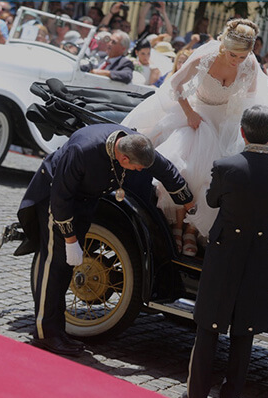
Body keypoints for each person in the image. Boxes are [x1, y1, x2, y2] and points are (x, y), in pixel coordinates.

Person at [17, 124, 194, 356]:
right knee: (55, 264)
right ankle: (44, 333)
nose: (139, 171)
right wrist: (70, 239)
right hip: (56, 199)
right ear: (122, 157)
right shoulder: (83, 150)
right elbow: (60, 198)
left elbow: (163, 168)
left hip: (85, 199)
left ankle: (56, 330)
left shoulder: (136, 144)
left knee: (66, 268)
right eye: (135, 168)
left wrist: (188, 201)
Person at [122, 18, 268, 256]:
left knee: (212, 177)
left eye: (242, 56)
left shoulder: (249, 65)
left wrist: (237, 129)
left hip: (225, 119)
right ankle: (176, 227)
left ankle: (191, 229)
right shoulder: (205, 57)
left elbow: (250, 101)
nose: (237, 61)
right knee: (185, 168)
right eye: (233, 55)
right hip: (196, 114)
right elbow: (175, 85)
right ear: (224, 46)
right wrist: (190, 114)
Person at [182, 105, 268, 398]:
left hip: (225, 253)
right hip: (259, 257)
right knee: (244, 332)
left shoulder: (226, 166)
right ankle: (230, 395)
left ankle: (196, 395)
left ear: (242, 133)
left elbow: (213, 200)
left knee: (209, 326)